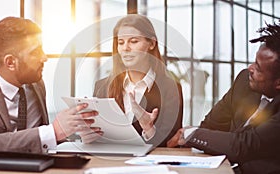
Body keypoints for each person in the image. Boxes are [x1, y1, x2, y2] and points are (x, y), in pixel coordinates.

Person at [167, 21, 280, 174]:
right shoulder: (244, 81)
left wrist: (190, 134)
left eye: (258, 68)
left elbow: (244, 145)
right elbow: (211, 125)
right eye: (254, 62)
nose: (250, 68)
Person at [0, 16, 98, 157]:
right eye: (35, 52)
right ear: (10, 62)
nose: (44, 58)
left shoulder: (36, 84)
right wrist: (54, 131)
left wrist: (77, 130)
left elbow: (43, 143)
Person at [78, 14, 183, 147]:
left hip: (149, 166)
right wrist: (88, 134)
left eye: (133, 41)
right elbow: (100, 137)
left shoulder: (170, 88)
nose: (126, 48)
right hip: (108, 164)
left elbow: (172, 144)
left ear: (151, 43)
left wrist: (148, 128)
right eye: (121, 42)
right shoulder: (102, 86)